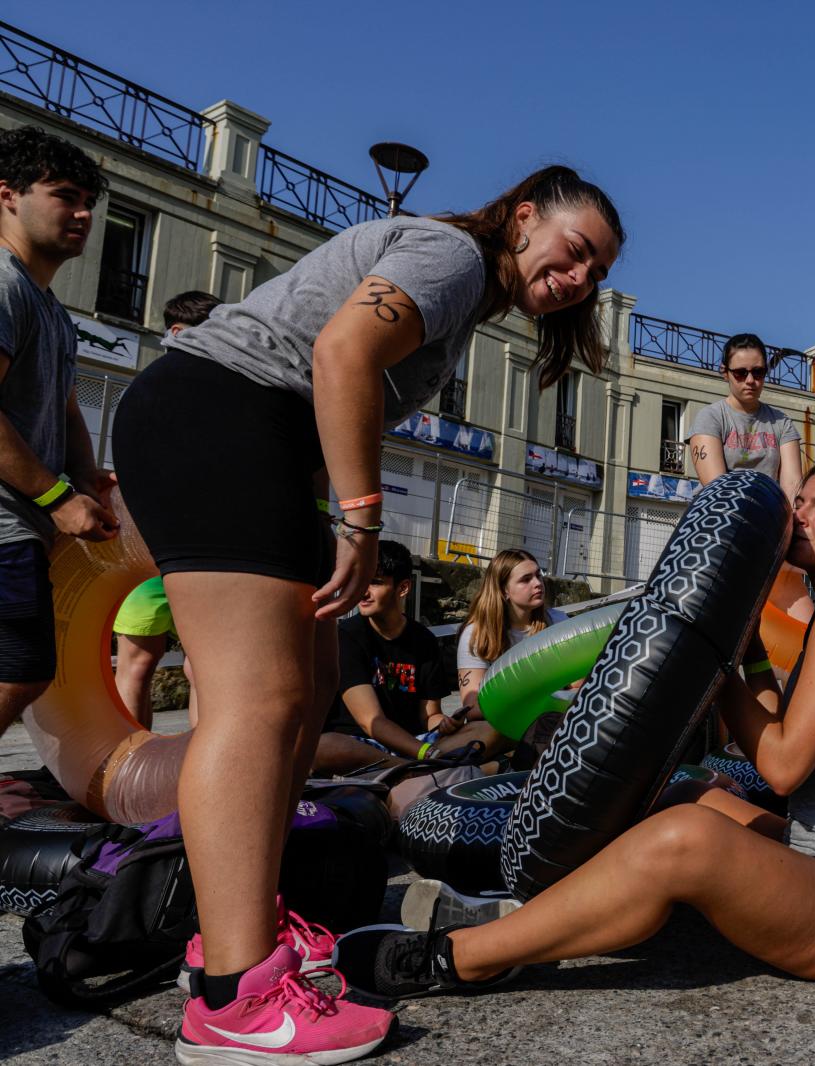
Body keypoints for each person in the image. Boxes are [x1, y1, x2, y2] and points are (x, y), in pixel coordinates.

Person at [110, 165, 623, 1062]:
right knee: (258, 706)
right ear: (525, 216)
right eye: (575, 251)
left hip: (254, 445)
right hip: (223, 420)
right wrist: (359, 520)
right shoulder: (452, 254)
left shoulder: (461, 295)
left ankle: (237, 940)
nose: (578, 279)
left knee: (301, 701)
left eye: (597, 273)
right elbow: (340, 355)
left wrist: (317, 515)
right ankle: (237, 998)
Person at [333, 456, 815, 996]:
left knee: (685, 836)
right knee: (684, 792)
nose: (802, 517)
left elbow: (784, 765)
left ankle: (460, 959)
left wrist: (714, 654)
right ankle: (538, 920)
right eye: (801, 503)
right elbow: (781, 734)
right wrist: (733, 653)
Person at [0, 127, 119, 743]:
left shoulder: (50, 308)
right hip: (6, 521)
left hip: (25, 524)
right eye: (65, 195)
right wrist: (55, 498)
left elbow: (66, 408)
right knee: (18, 674)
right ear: (8, 195)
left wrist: (89, 478)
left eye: (89, 203)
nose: (82, 214)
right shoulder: (4, 284)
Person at [111, 291, 219, 727]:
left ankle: (200, 776)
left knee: (205, 670)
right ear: (177, 334)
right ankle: (127, 772)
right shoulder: (158, 388)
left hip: (202, 547)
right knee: (138, 663)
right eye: (213, 333)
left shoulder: (209, 388)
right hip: (156, 547)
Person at [315, 540, 500, 772]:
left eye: (375, 583)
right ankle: (424, 770)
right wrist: (426, 753)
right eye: (361, 580)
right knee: (324, 746)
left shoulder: (424, 640)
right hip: (365, 744)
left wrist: (443, 725)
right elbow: (371, 721)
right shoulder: (347, 636)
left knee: (490, 729)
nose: (363, 591)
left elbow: (430, 714)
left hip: (416, 743)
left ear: (402, 588)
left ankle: (426, 770)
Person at [456, 548, 568, 749]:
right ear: (503, 590)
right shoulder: (476, 635)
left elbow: (579, 683)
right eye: (526, 579)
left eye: (538, 575)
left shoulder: (558, 622)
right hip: (498, 729)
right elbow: (472, 707)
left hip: (550, 722)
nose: (537, 583)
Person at [687, 333, 803, 499]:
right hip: (717, 516)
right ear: (725, 372)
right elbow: (717, 488)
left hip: (768, 516)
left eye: (758, 372)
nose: (750, 380)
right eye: (741, 373)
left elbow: (792, 488)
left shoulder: (782, 423)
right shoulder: (710, 417)